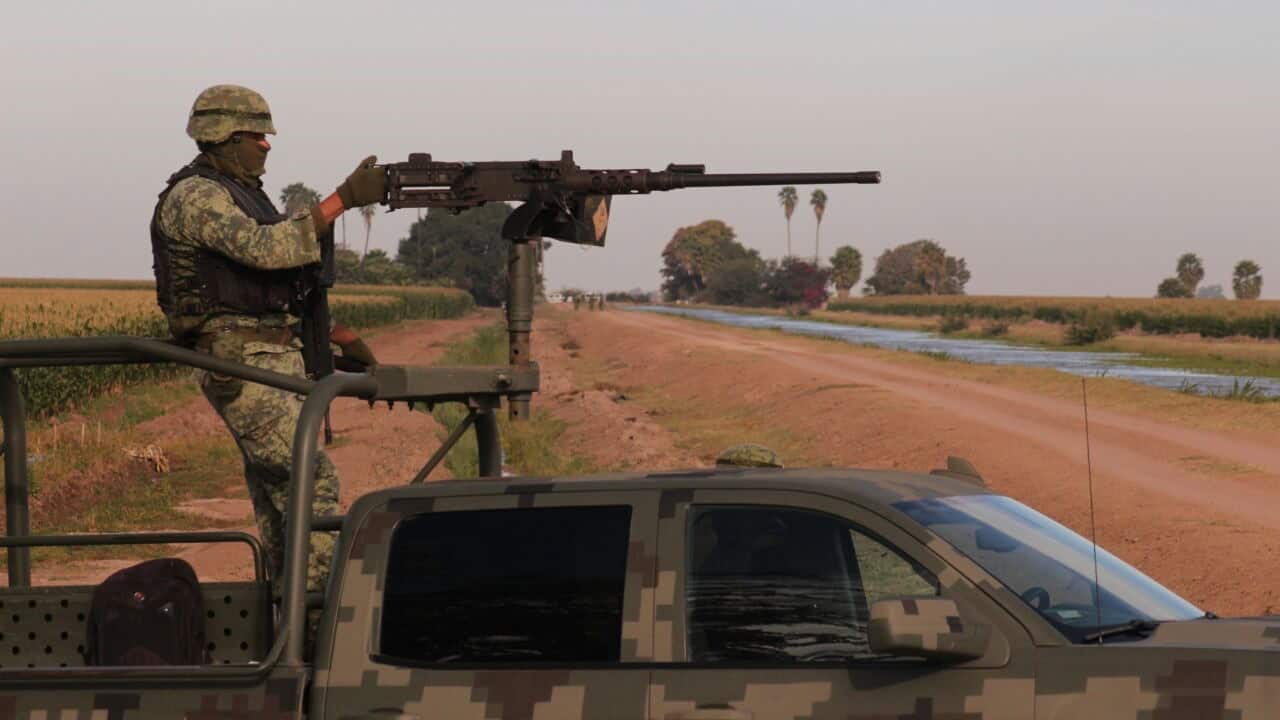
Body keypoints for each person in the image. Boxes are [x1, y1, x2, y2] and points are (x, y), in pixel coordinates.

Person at [150, 84, 385, 597]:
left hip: (268, 356)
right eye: (256, 135)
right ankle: (317, 618)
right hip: (239, 362)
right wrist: (343, 199)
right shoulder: (196, 197)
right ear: (225, 137)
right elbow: (266, 249)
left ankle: (289, 612)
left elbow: (271, 289)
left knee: (279, 492)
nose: (266, 146)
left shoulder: (239, 193)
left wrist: (338, 339)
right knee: (310, 479)